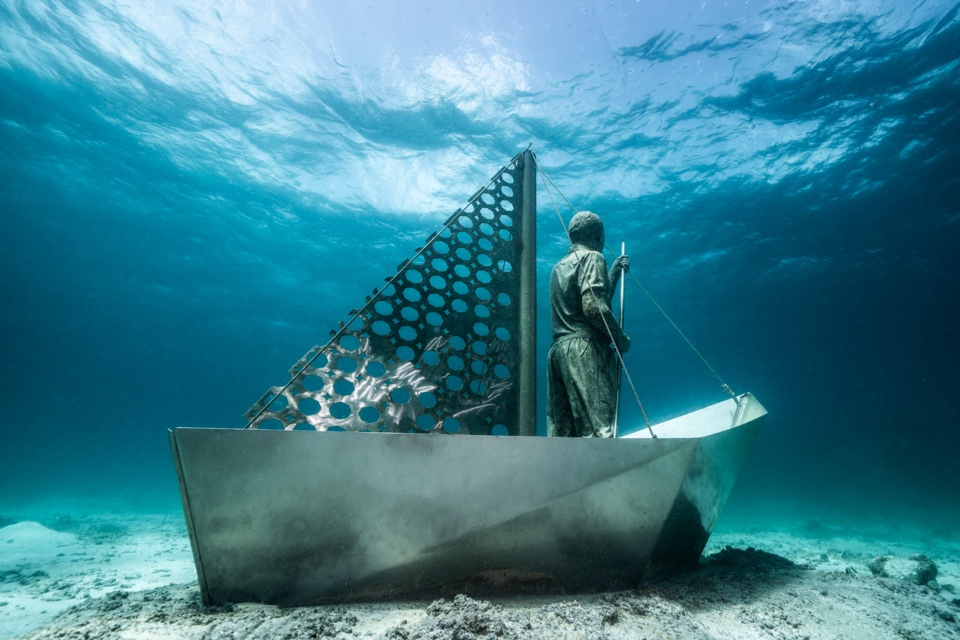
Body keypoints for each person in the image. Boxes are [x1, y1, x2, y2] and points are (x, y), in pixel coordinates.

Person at [547, 211, 630, 438]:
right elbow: (594, 309)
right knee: (599, 429)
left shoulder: (557, 268)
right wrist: (620, 338)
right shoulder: (593, 258)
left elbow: (589, 304)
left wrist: (613, 274)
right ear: (598, 236)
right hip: (586, 351)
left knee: (564, 435)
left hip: (558, 353)